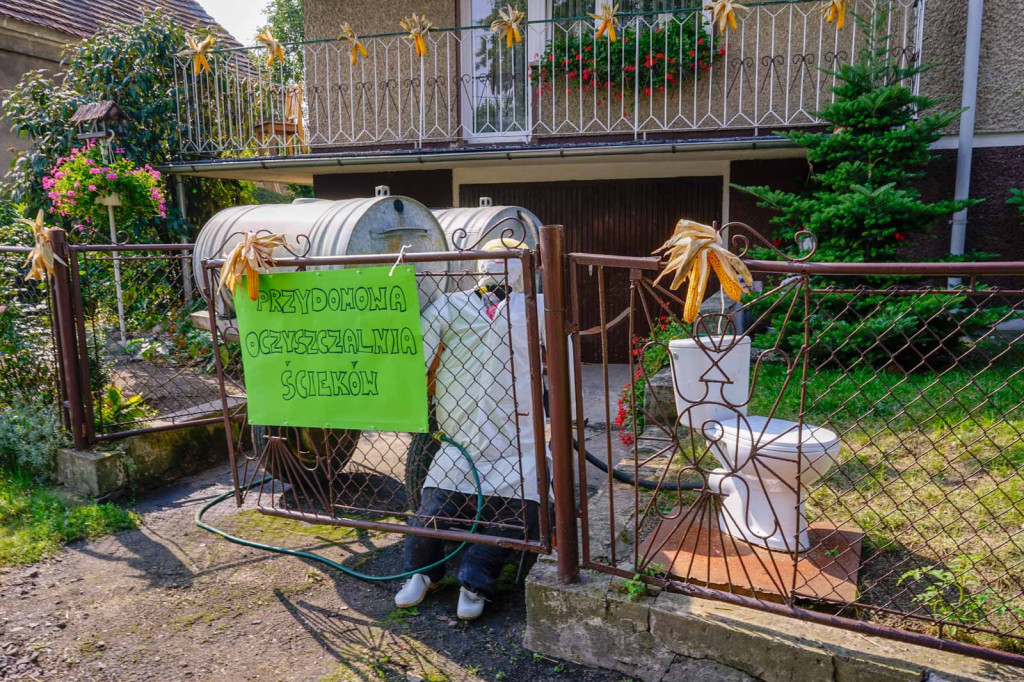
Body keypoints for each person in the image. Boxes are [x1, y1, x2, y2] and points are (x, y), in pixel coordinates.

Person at [395, 238, 548, 620]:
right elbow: (415, 356)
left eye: (505, 260)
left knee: (520, 514)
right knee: (433, 507)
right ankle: (422, 572)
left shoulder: (536, 309)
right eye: (491, 260)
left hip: (519, 442)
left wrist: (569, 414)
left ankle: (474, 579)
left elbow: (563, 355)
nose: (496, 268)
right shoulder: (450, 306)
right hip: (461, 439)